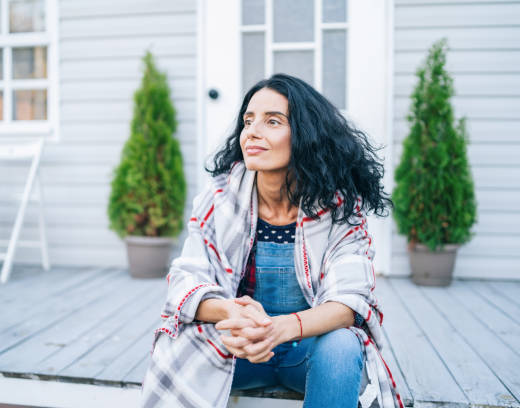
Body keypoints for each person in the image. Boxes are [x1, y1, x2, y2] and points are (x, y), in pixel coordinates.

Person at [140, 73, 405, 408]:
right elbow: (184, 281)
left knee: (341, 346)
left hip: (305, 350)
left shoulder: (339, 209)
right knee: (179, 341)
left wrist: (281, 328)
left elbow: (350, 302)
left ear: (306, 135)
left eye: (273, 121)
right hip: (239, 348)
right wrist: (230, 311)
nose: (253, 131)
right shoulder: (219, 199)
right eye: (248, 121)